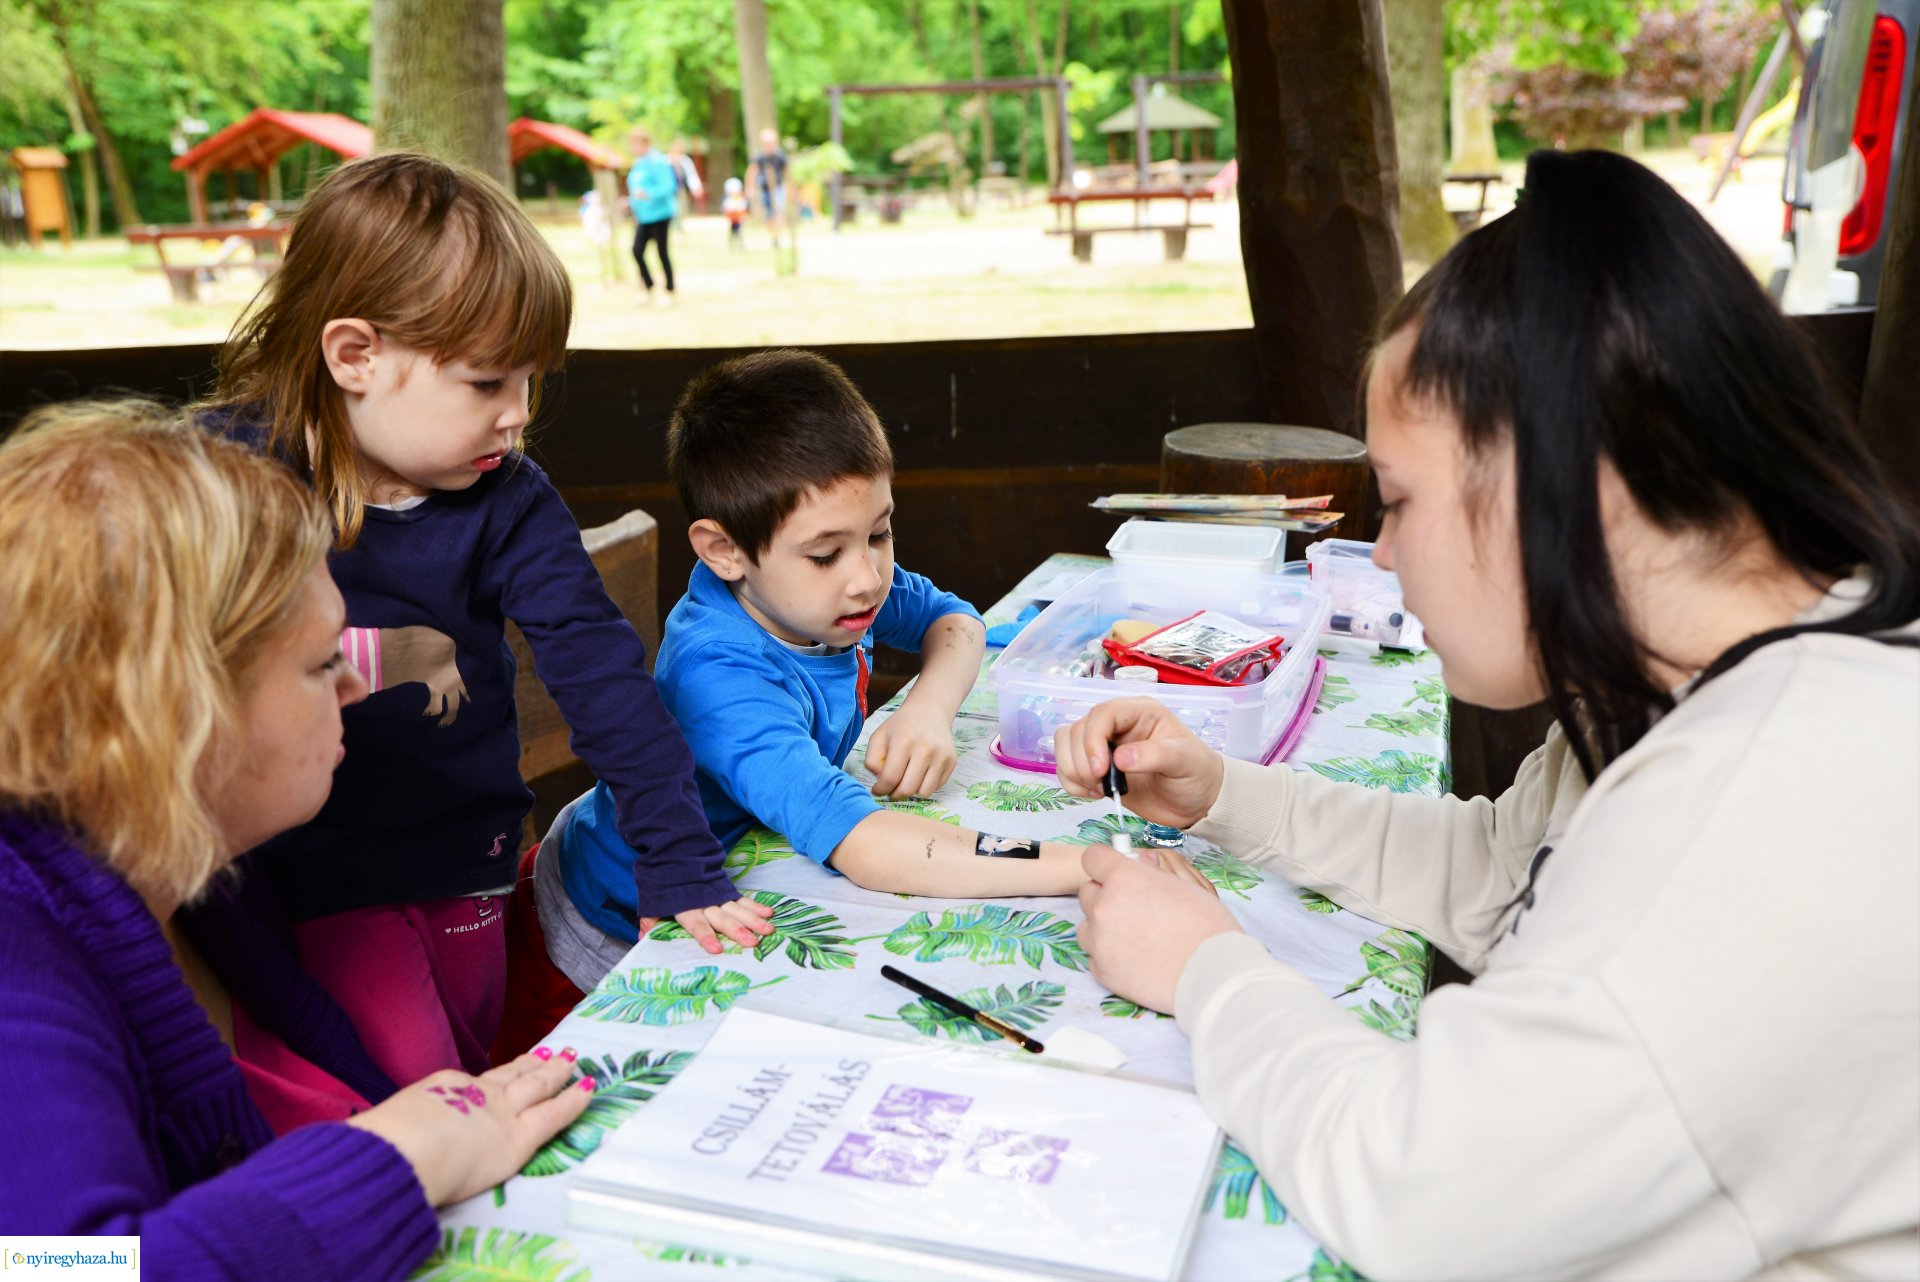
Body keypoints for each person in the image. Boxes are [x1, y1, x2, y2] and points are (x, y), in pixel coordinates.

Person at [1053, 150, 1920, 1279]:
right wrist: (1225, 793)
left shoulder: (1758, 819)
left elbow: (1424, 1196)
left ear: (1566, 481)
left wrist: (1206, 970)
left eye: (1402, 502)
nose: (1383, 553)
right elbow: (1503, 868)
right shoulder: (1723, 674)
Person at [197, 151, 771, 1087]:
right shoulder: (214, 482)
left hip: (469, 865)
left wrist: (679, 861)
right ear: (355, 356)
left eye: (530, 384)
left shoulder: (505, 497)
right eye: (486, 384)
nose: (518, 417)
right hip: (300, 880)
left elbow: (599, 672)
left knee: (475, 1060)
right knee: (424, 1098)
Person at [0, 404, 594, 1276]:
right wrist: (398, 1158)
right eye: (322, 662)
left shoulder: (205, 876)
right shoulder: (20, 957)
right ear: (180, 714)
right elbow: (54, 1269)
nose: (356, 686)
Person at [511, 349, 1213, 1015]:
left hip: (753, 858)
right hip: (608, 927)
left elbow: (956, 620)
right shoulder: (719, 676)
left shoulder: (828, 598)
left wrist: (929, 712)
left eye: (879, 533)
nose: (868, 576)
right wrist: (1088, 860)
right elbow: (872, 849)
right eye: (825, 554)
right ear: (725, 551)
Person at [626, 128, 678, 304]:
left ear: (645, 144)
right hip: (643, 216)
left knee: (662, 252)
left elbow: (668, 187)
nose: (633, 147)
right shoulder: (638, 164)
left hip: (660, 214)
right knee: (637, 250)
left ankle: (670, 289)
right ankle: (649, 285)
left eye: (636, 144)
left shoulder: (658, 162)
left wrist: (648, 194)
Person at [751, 127, 788, 246]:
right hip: (765, 188)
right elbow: (753, 171)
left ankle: (778, 234)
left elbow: (786, 171)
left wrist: (790, 187)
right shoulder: (760, 157)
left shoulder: (780, 156)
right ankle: (772, 236)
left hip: (778, 187)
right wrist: (750, 187)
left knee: (779, 210)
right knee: (769, 213)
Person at [667, 137, 704, 224]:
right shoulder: (666, 160)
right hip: (668, 190)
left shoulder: (685, 161)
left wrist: (696, 187)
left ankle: (679, 226)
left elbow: (691, 175)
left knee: (681, 209)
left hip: (680, 188)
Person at [722, 176, 749, 251]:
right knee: (732, 231)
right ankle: (732, 244)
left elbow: (744, 207)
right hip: (732, 219)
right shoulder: (728, 200)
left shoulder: (741, 199)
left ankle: (740, 244)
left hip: (739, 218)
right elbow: (726, 207)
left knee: (739, 231)